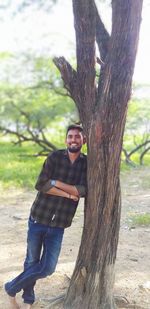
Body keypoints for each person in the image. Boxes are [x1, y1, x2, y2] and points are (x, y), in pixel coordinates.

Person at [5, 124, 87, 309]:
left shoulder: (86, 163)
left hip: (59, 224)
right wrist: (67, 194)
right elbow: (42, 184)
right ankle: (28, 300)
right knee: (32, 261)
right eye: (70, 136)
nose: (73, 139)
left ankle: (11, 287)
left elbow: (82, 190)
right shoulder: (55, 157)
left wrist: (56, 183)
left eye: (77, 137)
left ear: (84, 140)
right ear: (66, 139)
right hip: (38, 217)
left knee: (48, 267)